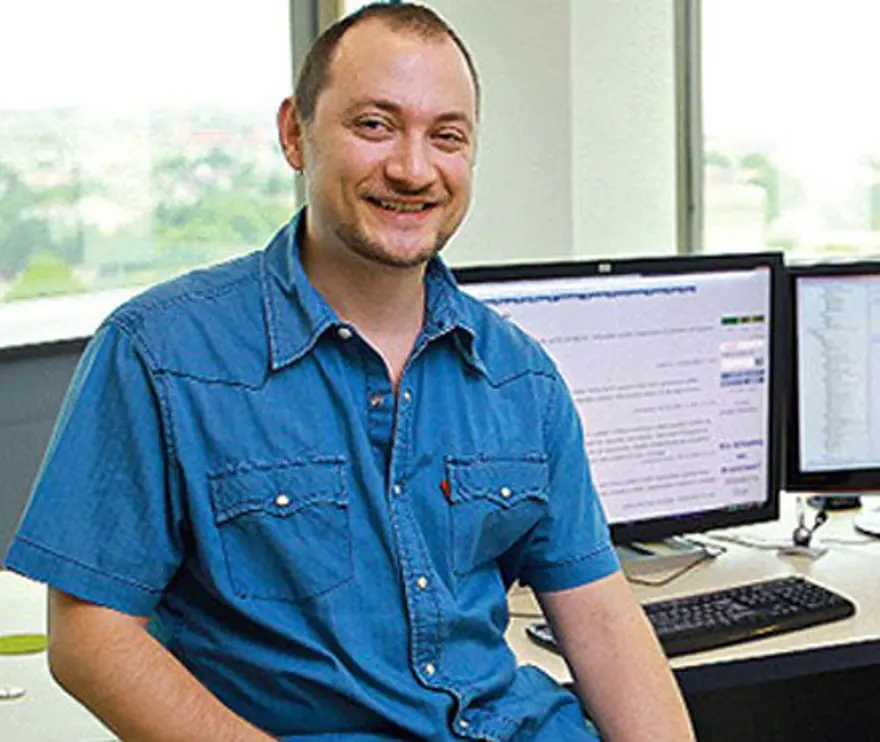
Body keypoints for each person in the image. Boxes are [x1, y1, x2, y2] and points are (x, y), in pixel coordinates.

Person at [4, 3, 695, 740]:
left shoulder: (520, 377)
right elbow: (90, 640)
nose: (413, 169)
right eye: (374, 125)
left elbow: (602, 621)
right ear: (294, 133)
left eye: (447, 136)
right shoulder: (161, 354)